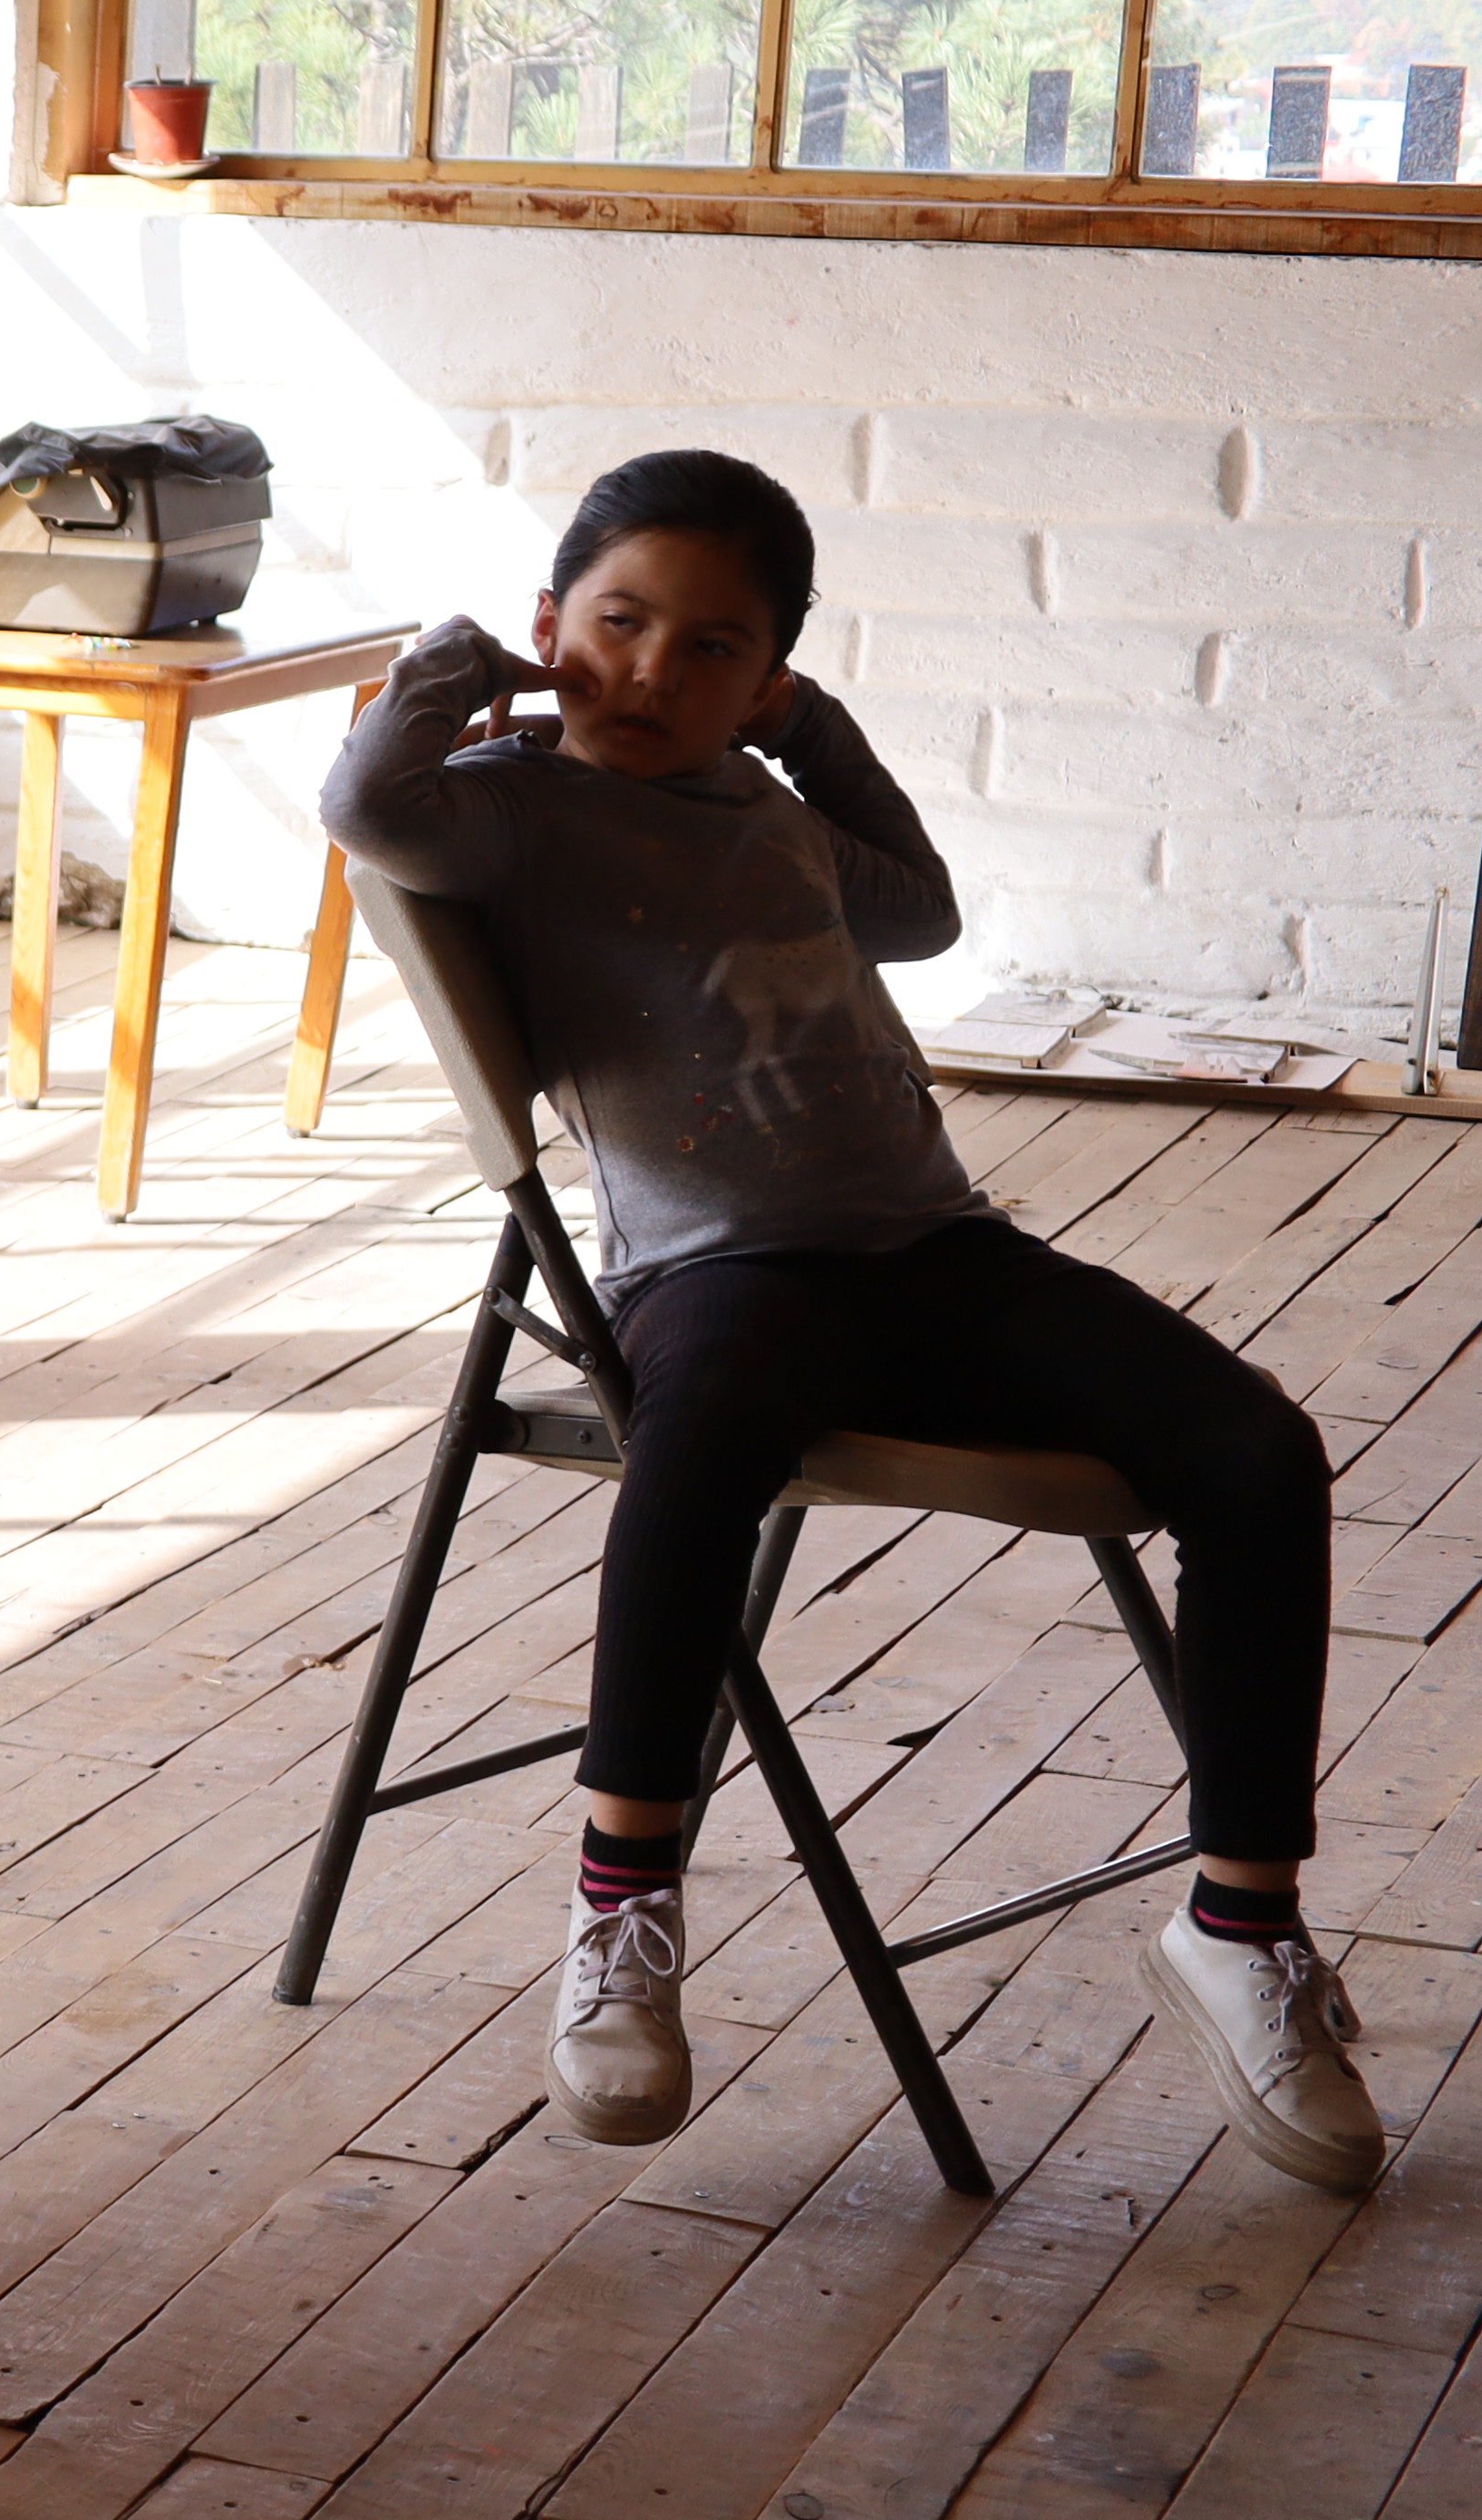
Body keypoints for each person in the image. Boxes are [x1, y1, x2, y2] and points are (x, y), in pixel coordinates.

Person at [323, 448, 1374, 2188]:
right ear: (553, 628)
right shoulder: (508, 803)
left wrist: (808, 740)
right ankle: (623, 1902)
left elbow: (932, 909)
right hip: (716, 1275)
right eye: (619, 624)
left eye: (714, 647)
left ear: (771, 680)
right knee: (703, 1440)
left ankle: (1241, 1922)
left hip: (937, 1250)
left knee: (1259, 1452)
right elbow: (367, 805)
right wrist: (465, 667)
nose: (656, 672)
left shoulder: (776, 810)